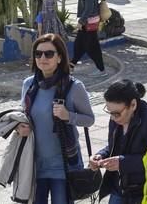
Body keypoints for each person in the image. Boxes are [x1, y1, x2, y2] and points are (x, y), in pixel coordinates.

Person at [18, 33, 95, 204]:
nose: (42, 58)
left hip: (63, 165)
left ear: (60, 57)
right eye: (38, 54)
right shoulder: (28, 85)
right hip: (34, 163)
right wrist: (19, 127)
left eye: (49, 54)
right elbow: (21, 113)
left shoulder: (74, 87)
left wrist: (69, 116)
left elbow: (89, 119)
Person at [90, 80, 147, 204]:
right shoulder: (115, 118)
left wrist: (124, 163)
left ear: (133, 105)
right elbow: (115, 146)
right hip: (119, 188)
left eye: (116, 114)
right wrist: (102, 155)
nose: (112, 118)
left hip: (143, 192)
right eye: (109, 112)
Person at [71, 0, 106, 77]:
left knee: (91, 48)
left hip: (88, 23)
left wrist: (81, 22)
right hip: (90, 21)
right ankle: (70, 66)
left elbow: (88, 9)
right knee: (79, 45)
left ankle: (101, 70)